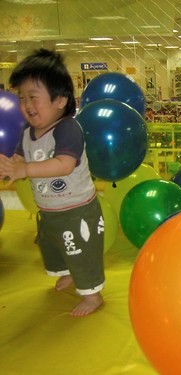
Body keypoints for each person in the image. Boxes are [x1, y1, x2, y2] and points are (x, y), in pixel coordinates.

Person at [0, 49, 105, 317]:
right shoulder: (27, 132)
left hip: (77, 210)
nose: (26, 105)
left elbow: (64, 164)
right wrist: (10, 167)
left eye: (33, 97)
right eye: (21, 98)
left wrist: (25, 169)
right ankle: (69, 274)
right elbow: (20, 158)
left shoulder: (67, 129)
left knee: (81, 251)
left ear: (60, 100)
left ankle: (92, 294)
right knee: (55, 247)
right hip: (49, 210)